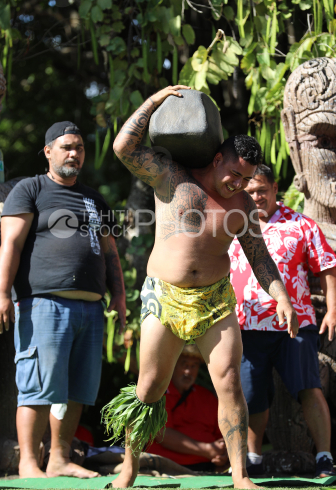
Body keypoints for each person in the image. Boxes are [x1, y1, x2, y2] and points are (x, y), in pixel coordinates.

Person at [101, 85, 299, 490]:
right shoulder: (172, 177)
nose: (237, 183)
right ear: (216, 158)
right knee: (149, 387)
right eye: (233, 174)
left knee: (228, 379)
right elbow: (123, 147)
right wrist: (155, 100)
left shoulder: (242, 206)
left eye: (246, 179)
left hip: (215, 300)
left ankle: (241, 476)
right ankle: (129, 468)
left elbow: (260, 258)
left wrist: (281, 296)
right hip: (164, 296)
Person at [0, 121, 126, 479]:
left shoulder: (95, 198)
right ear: (48, 151)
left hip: (91, 308)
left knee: (77, 388)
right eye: (66, 147)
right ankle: (29, 463)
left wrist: (120, 298)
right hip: (44, 304)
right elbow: (11, 245)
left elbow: (110, 253)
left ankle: (60, 459)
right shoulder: (29, 190)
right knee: (37, 387)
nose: (74, 153)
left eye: (79, 147)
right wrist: (1, 293)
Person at [229, 164, 336, 478]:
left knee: (309, 388)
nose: (256, 197)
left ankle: (325, 458)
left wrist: (332, 309)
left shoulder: (301, 224)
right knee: (252, 396)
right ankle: (254, 460)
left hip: (295, 325)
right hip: (245, 326)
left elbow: (327, 266)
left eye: (262, 190)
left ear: (275, 189)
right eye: (250, 191)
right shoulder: (232, 222)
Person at [148, 345, 228, 471]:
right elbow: (163, 435)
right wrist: (207, 450)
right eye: (183, 364)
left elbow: (223, 434)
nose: (188, 372)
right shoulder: (159, 394)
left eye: (193, 366)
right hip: (167, 466)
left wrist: (224, 454)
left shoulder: (207, 397)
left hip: (207, 466)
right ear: (172, 365)